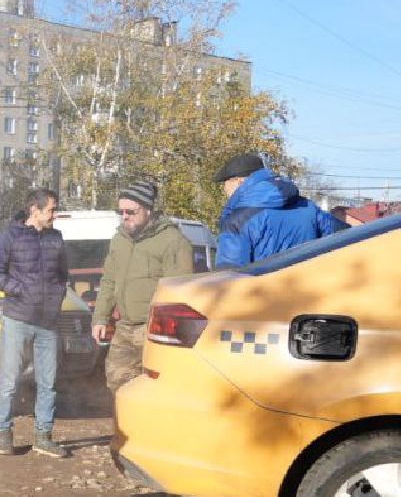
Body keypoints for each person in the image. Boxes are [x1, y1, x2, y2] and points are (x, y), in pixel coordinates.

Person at [0, 188, 70, 458]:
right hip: (17, 319)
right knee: (9, 380)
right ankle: (2, 435)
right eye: (51, 210)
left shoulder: (56, 238)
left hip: (48, 323)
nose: (54, 215)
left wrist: (57, 296)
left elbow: (62, 275)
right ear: (35, 210)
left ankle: (43, 437)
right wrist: (20, 290)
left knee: (48, 382)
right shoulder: (9, 237)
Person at [92, 178, 194, 392]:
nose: (125, 216)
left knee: (158, 387)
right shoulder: (119, 240)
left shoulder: (173, 241)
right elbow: (108, 281)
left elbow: (180, 292)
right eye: (121, 212)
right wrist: (100, 318)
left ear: (148, 210)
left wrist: (169, 332)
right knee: (117, 383)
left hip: (155, 329)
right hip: (125, 328)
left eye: (131, 212)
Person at [214, 152, 345, 267]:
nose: (225, 189)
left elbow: (228, 275)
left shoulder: (237, 222)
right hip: (308, 285)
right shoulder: (308, 207)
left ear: (238, 181)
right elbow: (346, 237)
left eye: (225, 183)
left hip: (266, 287)